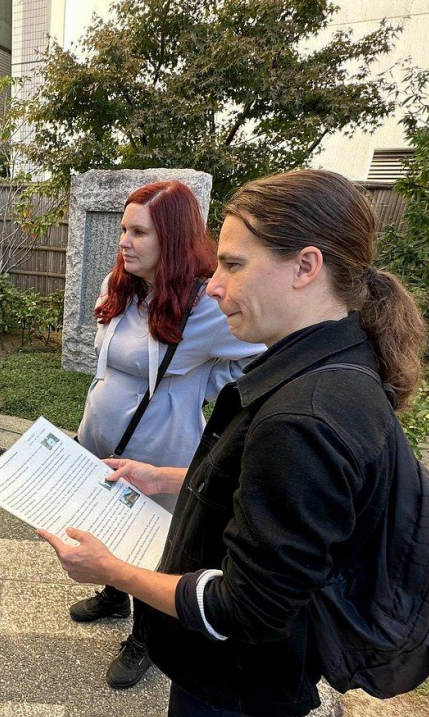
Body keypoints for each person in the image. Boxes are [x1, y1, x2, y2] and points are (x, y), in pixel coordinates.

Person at [39, 169, 428, 717]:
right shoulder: (327, 365)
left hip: (233, 673)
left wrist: (113, 571)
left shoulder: (305, 414)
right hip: (252, 671)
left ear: (305, 267)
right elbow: (259, 489)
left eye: (233, 265)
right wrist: (165, 478)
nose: (213, 285)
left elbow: (243, 608)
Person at [70, 180, 263, 689]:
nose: (124, 242)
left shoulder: (203, 308)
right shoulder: (124, 290)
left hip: (158, 455)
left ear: (173, 239)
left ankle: (145, 639)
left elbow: (259, 354)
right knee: (105, 531)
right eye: (122, 230)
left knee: (152, 551)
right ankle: (114, 597)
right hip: (101, 442)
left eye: (139, 232)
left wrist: (205, 384)